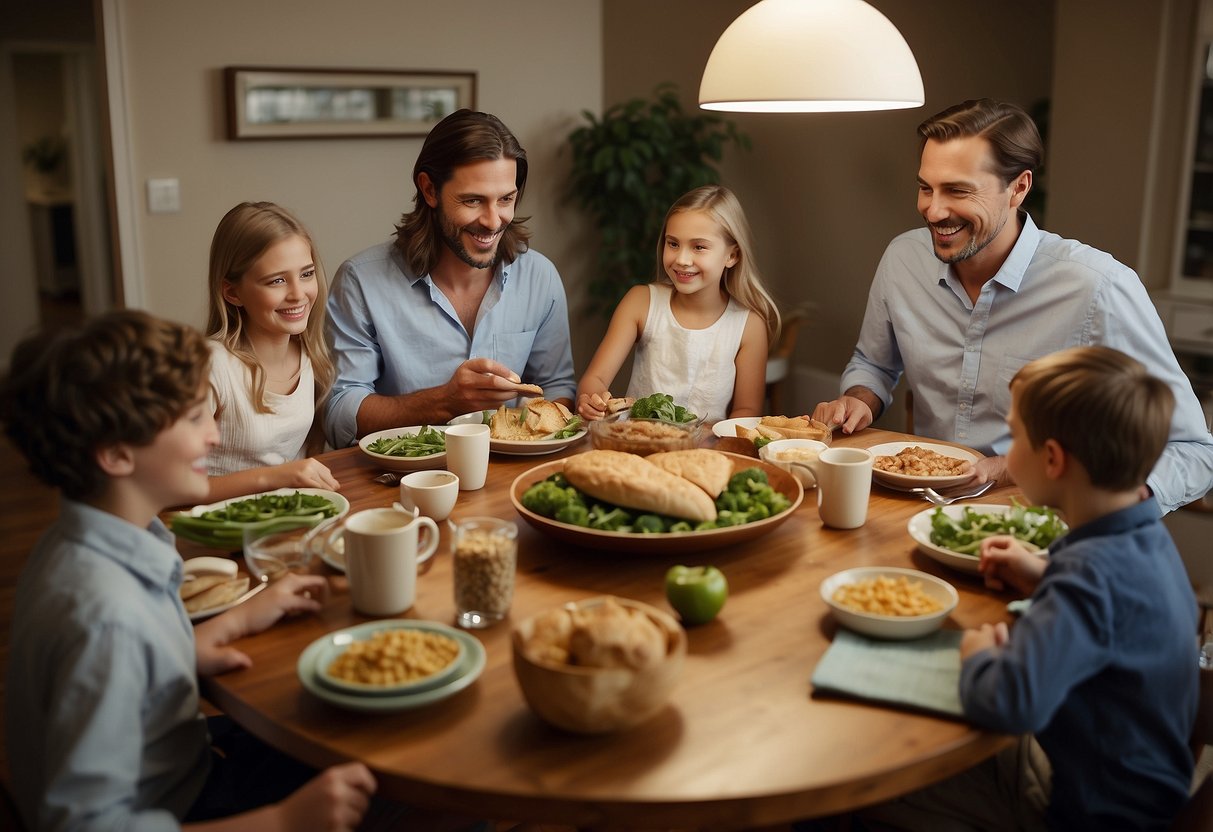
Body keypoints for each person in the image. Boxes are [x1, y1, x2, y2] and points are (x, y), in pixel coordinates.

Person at [0, 310, 376, 830]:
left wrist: (230, 626)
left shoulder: (73, 544)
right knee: (387, 774)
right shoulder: (108, 619)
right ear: (115, 454)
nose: (215, 439)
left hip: (173, 760)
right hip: (176, 803)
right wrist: (284, 822)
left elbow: (133, 677)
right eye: (194, 418)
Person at [812, 98, 1213, 514]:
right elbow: (874, 365)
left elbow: (1194, 451)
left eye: (957, 190)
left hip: (1039, 526)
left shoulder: (1099, 288)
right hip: (919, 509)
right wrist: (860, 398)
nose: (932, 210)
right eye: (925, 187)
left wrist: (1111, 509)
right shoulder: (902, 259)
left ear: (1018, 188)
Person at [864, 346, 1199, 831]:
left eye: (1013, 435)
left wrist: (978, 655)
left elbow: (1007, 703)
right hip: (1139, 785)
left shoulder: (1087, 579)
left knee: (881, 788)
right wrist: (1042, 572)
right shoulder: (1140, 538)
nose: (1005, 449)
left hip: (1089, 812)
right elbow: (1118, 610)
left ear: (1053, 459)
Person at [325, 109, 577, 448]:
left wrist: (518, 431)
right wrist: (444, 402)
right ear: (429, 190)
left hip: (507, 474)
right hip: (397, 483)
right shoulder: (360, 281)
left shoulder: (539, 277)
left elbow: (558, 389)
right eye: (473, 200)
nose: (492, 221)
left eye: (506, 199)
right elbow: (339, 412)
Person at [576, 184, 780, 423]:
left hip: (708, 454)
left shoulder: (749, 325)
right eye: (673, 244)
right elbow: (595, 379)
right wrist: (591, 398)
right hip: (636, 445)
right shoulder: (641, 302)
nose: (682, 259)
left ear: (732, 256)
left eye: (699, 247)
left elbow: (746, 411)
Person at [205, 201, 340, 501]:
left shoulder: (310, 356)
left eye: (306, 274)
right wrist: (277, 476)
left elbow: (307, 457)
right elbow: (174, 484)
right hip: (213, 532)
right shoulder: (211, 365)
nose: (298, 294)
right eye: (277, 280)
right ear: (232, 292)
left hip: (282, 522)